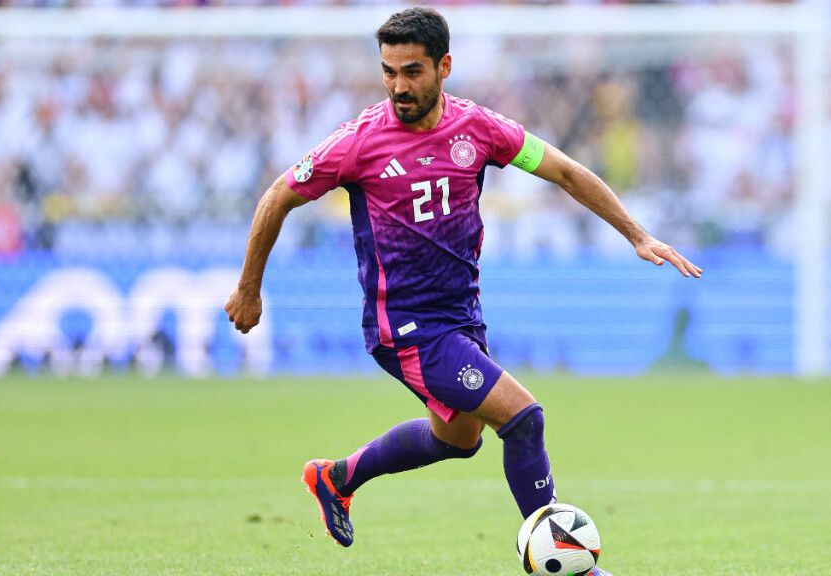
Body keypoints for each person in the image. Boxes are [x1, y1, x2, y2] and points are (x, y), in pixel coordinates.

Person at [224, 8, 702, 575]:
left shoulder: (478, 129)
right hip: (405, 326)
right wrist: (249, 288)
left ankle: (336, 478)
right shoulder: (358, 142)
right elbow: (278, 196)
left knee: (458, 440)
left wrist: (637, 235)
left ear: (444, 66)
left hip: (461, 318)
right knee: (524, 418)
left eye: (412, 71)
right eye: (389, 72)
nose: (399, 86)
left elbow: (566, 172)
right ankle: (570, 563)